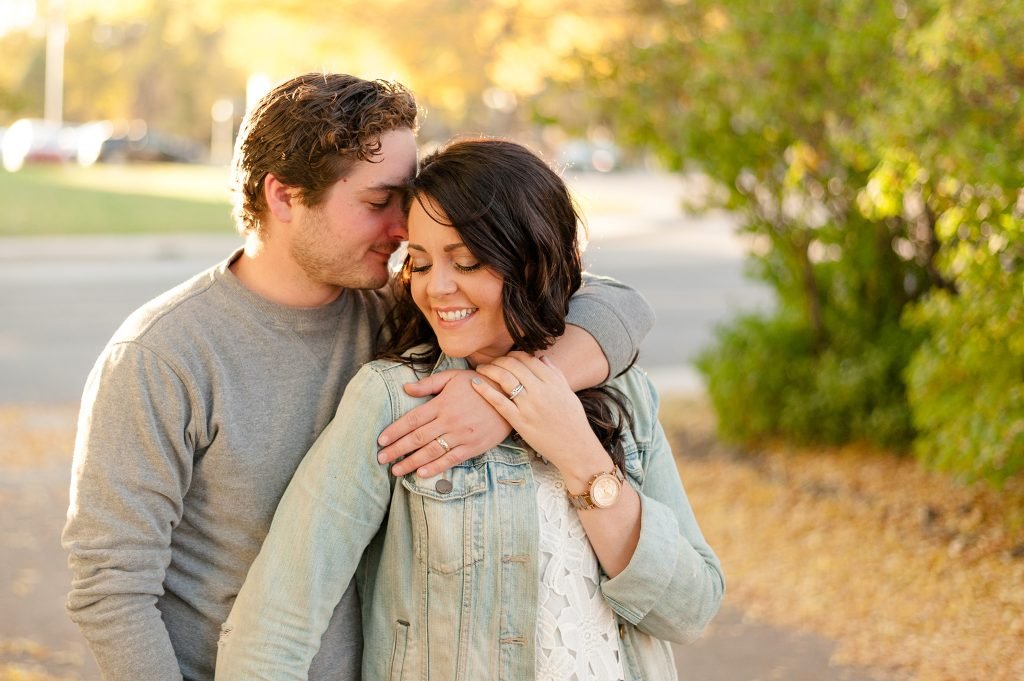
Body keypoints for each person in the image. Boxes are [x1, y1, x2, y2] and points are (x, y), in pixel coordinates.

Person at [62, 75, 655, 681]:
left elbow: (619, 306)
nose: (404, 229)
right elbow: (109, 588)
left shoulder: (404, 314)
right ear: (285, 196)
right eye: (379, 202)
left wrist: (506, 399)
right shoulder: (163, 355)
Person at [215, 139, 724, 681]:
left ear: (533, 259)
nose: (436, 288)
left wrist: (581, 457)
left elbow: (690, 611)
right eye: (419, 261)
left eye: (468, 261)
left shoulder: (626, 394)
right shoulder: (394, 402)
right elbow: (274, 628)